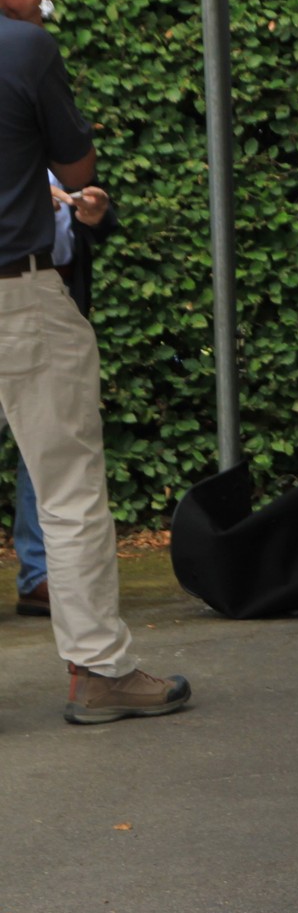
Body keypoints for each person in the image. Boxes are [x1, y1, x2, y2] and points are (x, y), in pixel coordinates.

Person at [0, 0, 189, 723]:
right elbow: (74, 160)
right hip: (19, 295)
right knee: (68, 488)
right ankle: (99, 674)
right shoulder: (26, 49)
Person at [13, 173, 115, 617]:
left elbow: (103, 223)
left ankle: (41, 575)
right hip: (10, 296)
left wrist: (97, 212)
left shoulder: (68, 157)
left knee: (49, 443)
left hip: (60, 297)